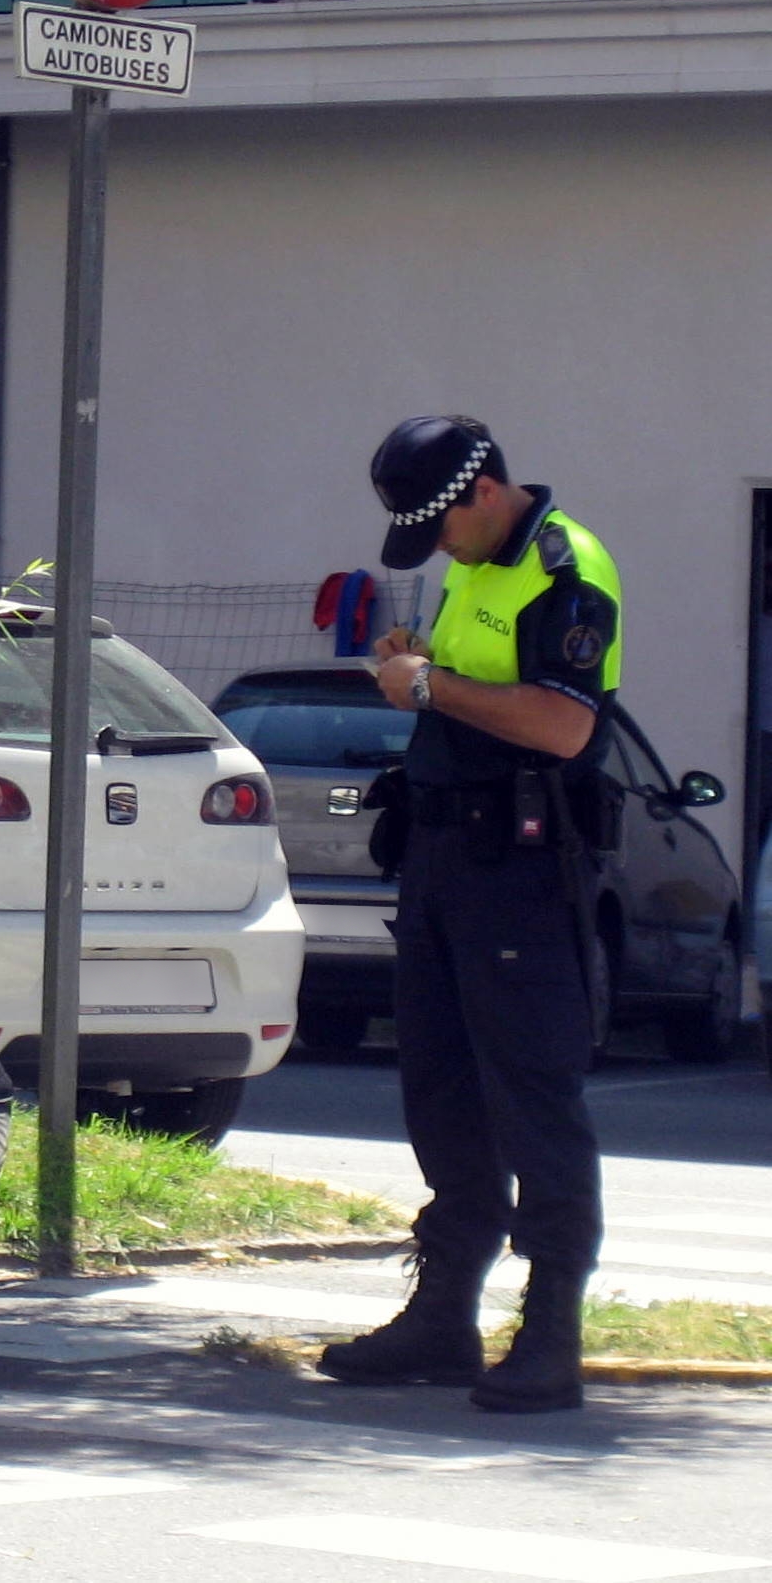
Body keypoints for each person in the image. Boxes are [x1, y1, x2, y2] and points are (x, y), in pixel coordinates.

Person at [317, 414, 622, 1414]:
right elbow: (466, 691)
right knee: (441, 1090)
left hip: (521, 871)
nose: (439, 545)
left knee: (532, 1096)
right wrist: (423, 669)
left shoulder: (564, 565)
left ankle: (550, 1329)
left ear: (483, 490)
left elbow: (563, 723)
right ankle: (446, 1311)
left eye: (443, 525)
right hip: (447, 861)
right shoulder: (476, 563)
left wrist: (429, 686)